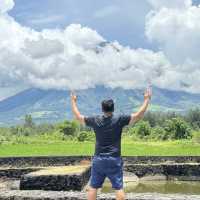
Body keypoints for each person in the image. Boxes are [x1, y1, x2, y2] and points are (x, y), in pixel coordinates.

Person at [70, 88, 152, 200]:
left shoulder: (95, 120)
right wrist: (147, 99)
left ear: (102, 109)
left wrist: (73, 101)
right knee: (118, 188)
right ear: (113, 108)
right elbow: (139, 115)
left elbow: (78, 117)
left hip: (98, 160)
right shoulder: (119, 119)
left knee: (93, 187)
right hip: (114, 160)